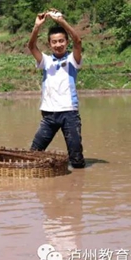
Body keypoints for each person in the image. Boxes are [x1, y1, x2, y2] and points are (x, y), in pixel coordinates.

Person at [27, 9, 85, 168]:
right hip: (49, 114)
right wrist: (37, 26)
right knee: (34, 153)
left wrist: (61, 21)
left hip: (69, 113)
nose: (58, 45)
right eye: (54, 42)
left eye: (61, 41)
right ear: (50, 44)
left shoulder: (73, 59)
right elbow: (31, 46)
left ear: (66, 42)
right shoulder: (45, 61)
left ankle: (75, 188)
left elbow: (78, 41)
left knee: (77, 161)